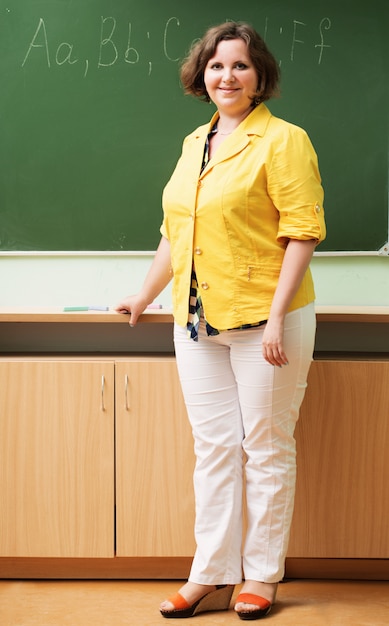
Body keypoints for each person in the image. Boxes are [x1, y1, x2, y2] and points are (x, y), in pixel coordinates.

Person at [116, 21, 326, 621]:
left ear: (259, 76)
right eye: (216, 65)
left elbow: (302, 232)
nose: (226, 76)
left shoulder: (284, 140)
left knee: (264, 446)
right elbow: (174, 234)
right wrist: (144, 295)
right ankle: (210, 571)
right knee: (212, 449)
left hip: (266, 317)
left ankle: (259, 577)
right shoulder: (193, 143)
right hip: (197, 320)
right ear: (200, 75)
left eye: (239, 65)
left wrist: (278, 319)